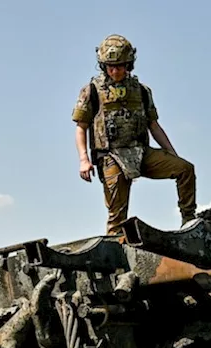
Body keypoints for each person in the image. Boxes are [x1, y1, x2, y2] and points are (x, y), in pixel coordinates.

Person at [72, 34, 197, 236]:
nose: (115, 71)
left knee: (185, 169)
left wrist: (171, 152)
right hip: (111, 156)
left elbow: (154, 126)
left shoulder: (141, 91)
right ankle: (115, 254)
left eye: (120, 66)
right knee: (117, 215)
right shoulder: (92, 91)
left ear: (129, 64)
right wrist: (83, 160)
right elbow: (81, 127)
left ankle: (189, 220)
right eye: (110, 66)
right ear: (103, 65)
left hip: (141, 152)